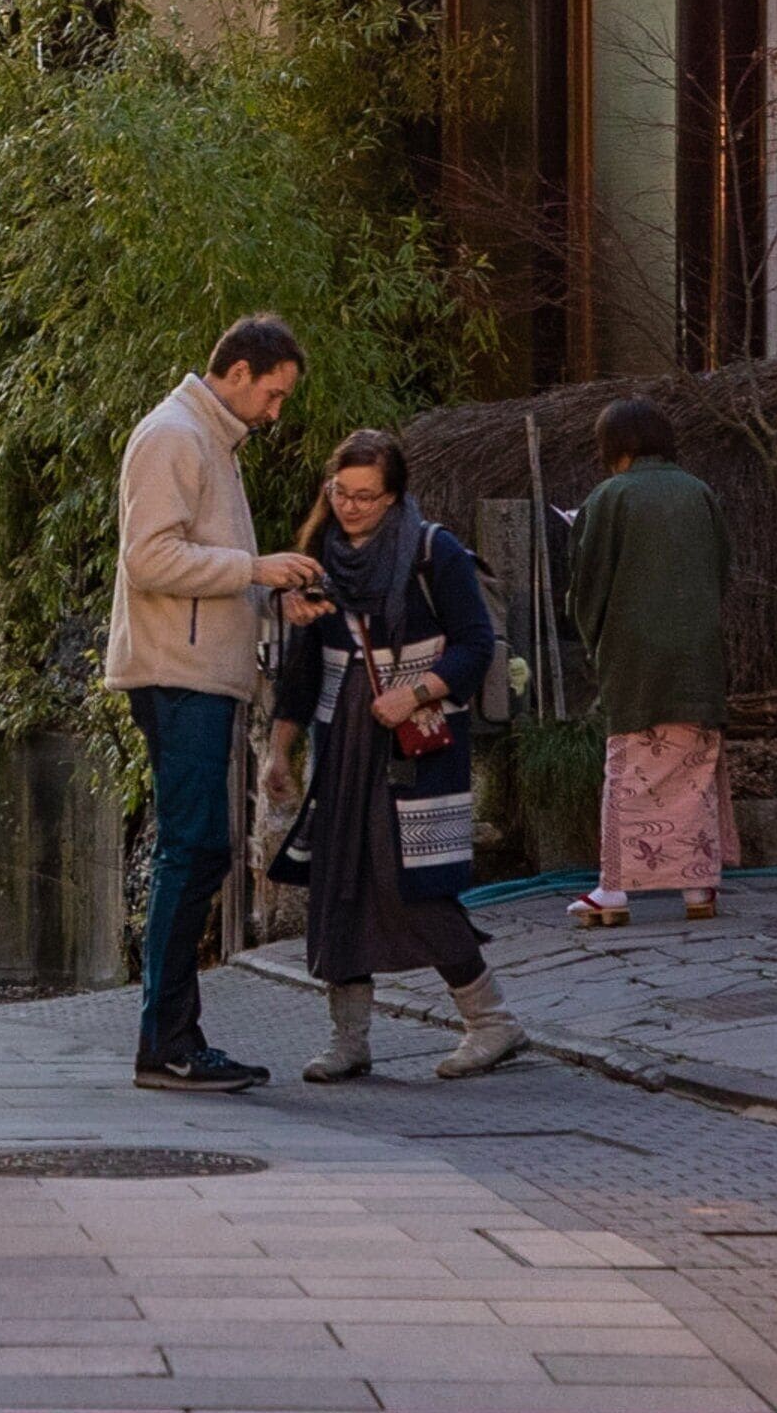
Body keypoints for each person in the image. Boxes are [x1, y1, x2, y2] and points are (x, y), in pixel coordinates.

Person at [264, 430, 529, 1082]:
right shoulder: (320, 559)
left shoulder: (433, 552)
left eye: (366, 497)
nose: (351, 507)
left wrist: (413, 693)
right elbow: (300, 669)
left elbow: (473, 644)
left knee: (412, 879)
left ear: (394, 496)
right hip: (341, 741)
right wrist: (280, 752)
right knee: (338, 882)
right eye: (341, 493)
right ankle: (349, 1038)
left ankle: (491, 1021)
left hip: (415, 739)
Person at [103, 314, 322, 1092]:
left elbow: (197, 564)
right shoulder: (176, 436)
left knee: (194, 850)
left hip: (194, 669)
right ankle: (166, 1042)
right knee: (192, 850)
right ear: (236, 372)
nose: (276, 410)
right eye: (273, 392)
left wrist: (269, 596)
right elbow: (150, 556)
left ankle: (171, 1038)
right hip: (178, 672)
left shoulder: (205, 439)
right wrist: (256, 571)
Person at [561, 397, 736, 928]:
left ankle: (614, 891)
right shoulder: (699, 493)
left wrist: (594, 640)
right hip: (698, 652)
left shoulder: (610, 497)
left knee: (630, 770)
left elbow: (588, 585)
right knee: (695, 770)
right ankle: (697, 886)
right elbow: (721, 570)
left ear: (616, 447)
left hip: (635, 655)